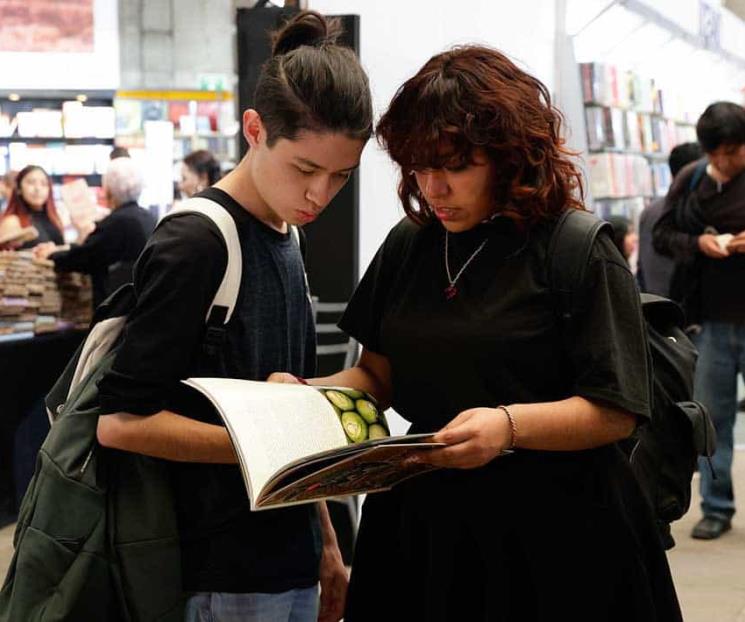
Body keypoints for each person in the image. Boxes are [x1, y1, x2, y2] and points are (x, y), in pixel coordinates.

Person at [271, 45, 682, 621]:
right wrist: (310, 395)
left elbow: (616, 408)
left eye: (456, 166)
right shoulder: (411, 246)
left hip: (559, 530)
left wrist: (507, 426)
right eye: (420, 166)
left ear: (510, 157)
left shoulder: (574, 248)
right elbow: (377, 375)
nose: (433, 187)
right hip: (426, 526)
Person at [93, 11, 372, 622]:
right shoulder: (196, 243)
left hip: (289, 560)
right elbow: (121, 423)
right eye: (304, 169)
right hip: (217, 574)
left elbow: (293, 409)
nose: (319, 195)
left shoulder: (287, 236)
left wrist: (327, 548)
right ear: (254, 129)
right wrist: (271, 447)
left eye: (340, 178)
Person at [654, 101, 745, 541]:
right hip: (710, 321)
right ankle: (717, 505)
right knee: (712, 417)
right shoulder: (691, 180)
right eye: (717, 154)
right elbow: (662, 235)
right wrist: (699, 244)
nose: (725, 163)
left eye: (734, 152)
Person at [34, 157, 157, 307]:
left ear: (109, 191)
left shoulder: (118, 221)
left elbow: (87, 256)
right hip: (144, 301)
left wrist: (52, 255)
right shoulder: (147, 216)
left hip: (120, 308)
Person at [637, 142, 703, 296]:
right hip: (688, 309)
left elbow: (642, 268)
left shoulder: (648, 212)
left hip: (656, 305)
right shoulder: (695, 210)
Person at [0, 165, 64, 249]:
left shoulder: (54, 218)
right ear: (19, 189)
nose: (37, 188)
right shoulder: (12, 221)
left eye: (44, 184)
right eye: (31, 182)